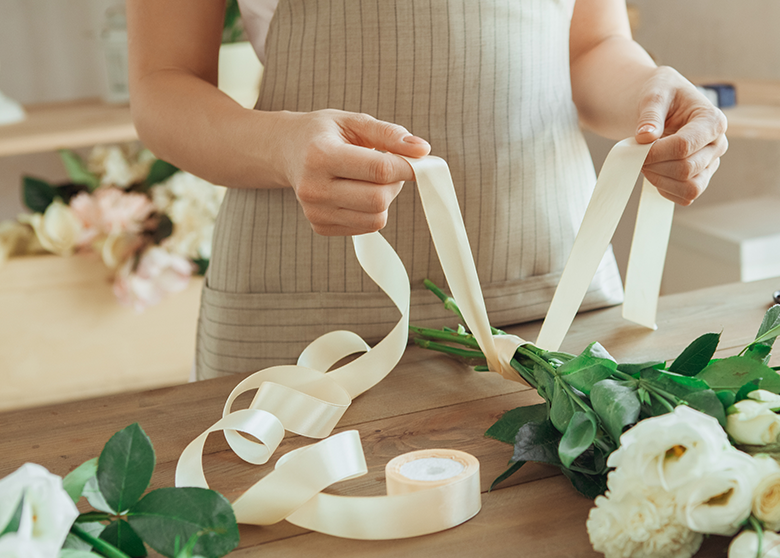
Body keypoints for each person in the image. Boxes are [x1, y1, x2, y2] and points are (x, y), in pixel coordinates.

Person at [126, 0, 729, 380]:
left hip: (552, 296)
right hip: (302, 319)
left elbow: (589, 45)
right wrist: (280, 146)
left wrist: (654, 97)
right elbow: (161, 84)